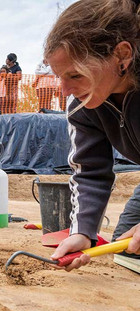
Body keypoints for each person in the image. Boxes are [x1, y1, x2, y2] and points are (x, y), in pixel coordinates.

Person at [44, 0, 140, 271]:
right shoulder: (83, 106)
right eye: (59, 77)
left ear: (121, 56)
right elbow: (90, 172)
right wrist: (82, 231)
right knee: (129, 252)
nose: (64, 90)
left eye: (74, 75)